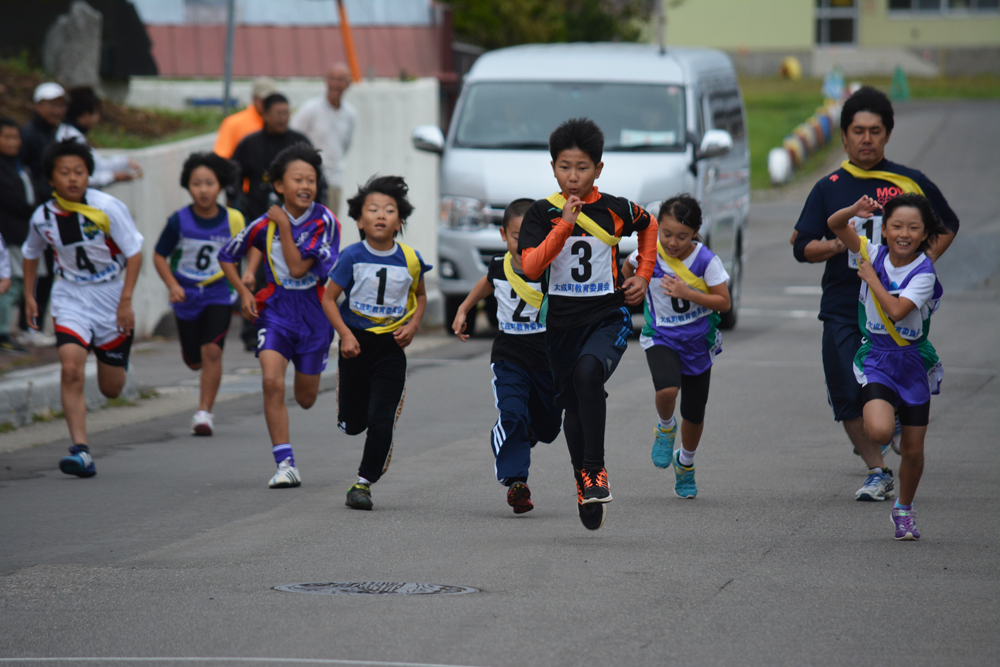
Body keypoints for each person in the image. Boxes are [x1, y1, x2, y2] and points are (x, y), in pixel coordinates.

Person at [792, 86, 959, 501]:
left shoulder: (909, 182)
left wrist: (917, 266)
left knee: (886, 384)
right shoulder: (829, 186)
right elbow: (801, 245)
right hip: (843, 304)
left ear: (887, 134)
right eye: (858, 131)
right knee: (845, 389)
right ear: (844, 137)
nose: (867, 139)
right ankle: (878, 469)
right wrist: (841, 246)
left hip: (897, 314)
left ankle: (895, 421)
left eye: (875, 131)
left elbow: (947, 225)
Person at [517, 118, 658, 530]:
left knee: (588, 373)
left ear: (598, 168)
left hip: (607, 315)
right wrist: (564, 222)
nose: (573, 176)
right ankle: (584, 479)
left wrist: (644, 276)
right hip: (560, 324)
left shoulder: (616, 208)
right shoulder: (542, 213)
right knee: (572, 407)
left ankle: (596, 471)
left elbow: (648, 225)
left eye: (582, 167)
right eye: (564, 167)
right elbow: (529, 266)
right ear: (552, 167)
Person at [219, 143, 339, 489]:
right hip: (276, 311)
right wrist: (243, 292)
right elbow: (227, 256)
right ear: (279, 185)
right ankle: (285, 463)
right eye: (297, 179)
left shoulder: (325, 222)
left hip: (314, 314)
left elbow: (301, 269)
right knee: (271, 382)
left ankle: (311, 386)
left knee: (305, 397)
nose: (306, 185)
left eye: (311, 180)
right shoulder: (263, 223)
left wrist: (284, 227)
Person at [22, 139, 144, 477]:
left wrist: (126, 300)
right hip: (70, 296)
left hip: (111, 296)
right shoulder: (43, 216)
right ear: (51, 179)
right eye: (65, 173)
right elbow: (31, 252)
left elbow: (134, 253)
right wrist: (31, 296)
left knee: (111, 389)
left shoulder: (108, 207)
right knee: (71, 368)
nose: (73, 179)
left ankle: (114, 352)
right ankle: (81, 451)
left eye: (80, 172)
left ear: (89, 175)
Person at [828, 193, 944, 539]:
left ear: (924, 234)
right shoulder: (872, 253)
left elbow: (897, 311)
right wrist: (853, 211)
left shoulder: (924, 273)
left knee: (913, 452)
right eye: (896, 226)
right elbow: (835, 225)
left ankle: (904, 509)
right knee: (878, 433)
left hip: (911, 361)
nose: (903, 234)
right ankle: (888, 411)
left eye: (913, 228)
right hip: (877, 356)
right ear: (885, 229)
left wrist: (871, 280)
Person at [322, 176, 429, 512]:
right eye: (372, 209)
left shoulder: (410, 259)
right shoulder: (352, 256)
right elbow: (328, 299)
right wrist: (346, 335)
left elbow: (421, 296)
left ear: (399, 221)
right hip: (356, 346)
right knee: (355, 423)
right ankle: (350, 418)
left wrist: (413, 326)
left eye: (389, 210)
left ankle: (363, 483)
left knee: (382, 420)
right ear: (359, 220)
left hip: (390, 350)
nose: (381, 215)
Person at [451, 198, 562, 515]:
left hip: (547, 358)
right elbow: (485, 285)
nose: (524, 242)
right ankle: (517, 482)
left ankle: (520, 432)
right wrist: (463, 309)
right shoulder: (499, 266)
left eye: (533, 236)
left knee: (549, 428)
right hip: (509, 355)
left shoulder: (552, 269)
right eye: (517, 235)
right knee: (512, 411)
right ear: (504, 235)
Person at [622, 195, 730, 499]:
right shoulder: (648, 253)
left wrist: (689, 292)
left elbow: (724, 301)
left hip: (698, 342)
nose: (672, 242)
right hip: (661, 336)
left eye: (681, 236)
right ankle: (665, 428)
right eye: (666, 234)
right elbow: (627, 270)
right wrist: (631, 289)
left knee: (694, 413)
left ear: (695, 232)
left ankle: (686, 464)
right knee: (666, 389)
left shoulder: (706, 261)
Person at [153, 152, 246, 436]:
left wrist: (247, 281)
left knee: (212, 351)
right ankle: (197, 367)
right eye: (196, 183)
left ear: (220, 185)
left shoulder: (233, 219)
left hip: (219, 292)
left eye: (209, 183)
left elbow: (247, 250)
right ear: (188, 186)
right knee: (194, 359)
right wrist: (173, 285)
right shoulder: (178, 221)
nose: (203, 189)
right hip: (187, 296)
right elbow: (159, 255)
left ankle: (204, 413)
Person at [18, 83, 66, 348]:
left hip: (50, 211)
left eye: (60, 105)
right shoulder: (28, 134)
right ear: (38, 105)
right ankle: (28, 325)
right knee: (35, 270)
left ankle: (34, 324)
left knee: (48, 271)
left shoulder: (55, 133)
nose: (56, 110)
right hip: (33, 214)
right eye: (51, 104)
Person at [231, 93, 314, 224]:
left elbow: (316, 177)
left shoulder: (299, 142)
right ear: (265, 115)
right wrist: (240, 200)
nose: (283, 118)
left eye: (286, 113)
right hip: (256, 215)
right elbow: (234, 176)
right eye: (278, 114)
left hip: (296, 216)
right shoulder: (250, 144)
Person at [290, 63, 356, 214]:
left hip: (334, 181)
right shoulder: (310, 109)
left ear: (348, 84)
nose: (336, 84)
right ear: (326, 81)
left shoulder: (350, 115)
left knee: (329, 228)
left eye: (341, 80)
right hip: (307, 181)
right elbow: (293, 140)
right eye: (332, 79)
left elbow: (345, 147)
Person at [56, 86, 143, 189]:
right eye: (96, 113)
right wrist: (113, 176)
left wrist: (125, 162)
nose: (97, 118)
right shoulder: (70, 139)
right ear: (86, 114)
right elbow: (84, 177)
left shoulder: (73, 134)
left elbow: (97, 164)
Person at [0, 117, 34, 352]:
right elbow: (13, 200)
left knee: (18, 282)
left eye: (16, 137)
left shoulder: (18, 164)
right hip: (8, 234)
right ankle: (3, 332)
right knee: (8, 284)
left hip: (22, 233)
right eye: (7, 137)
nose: (13, 142)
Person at [213, 77, 277, 159]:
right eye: (265, 100)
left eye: (272, 99)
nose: (269, 103)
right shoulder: (232, 123)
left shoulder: (279, 123)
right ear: (254, 99)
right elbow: (221, 158)